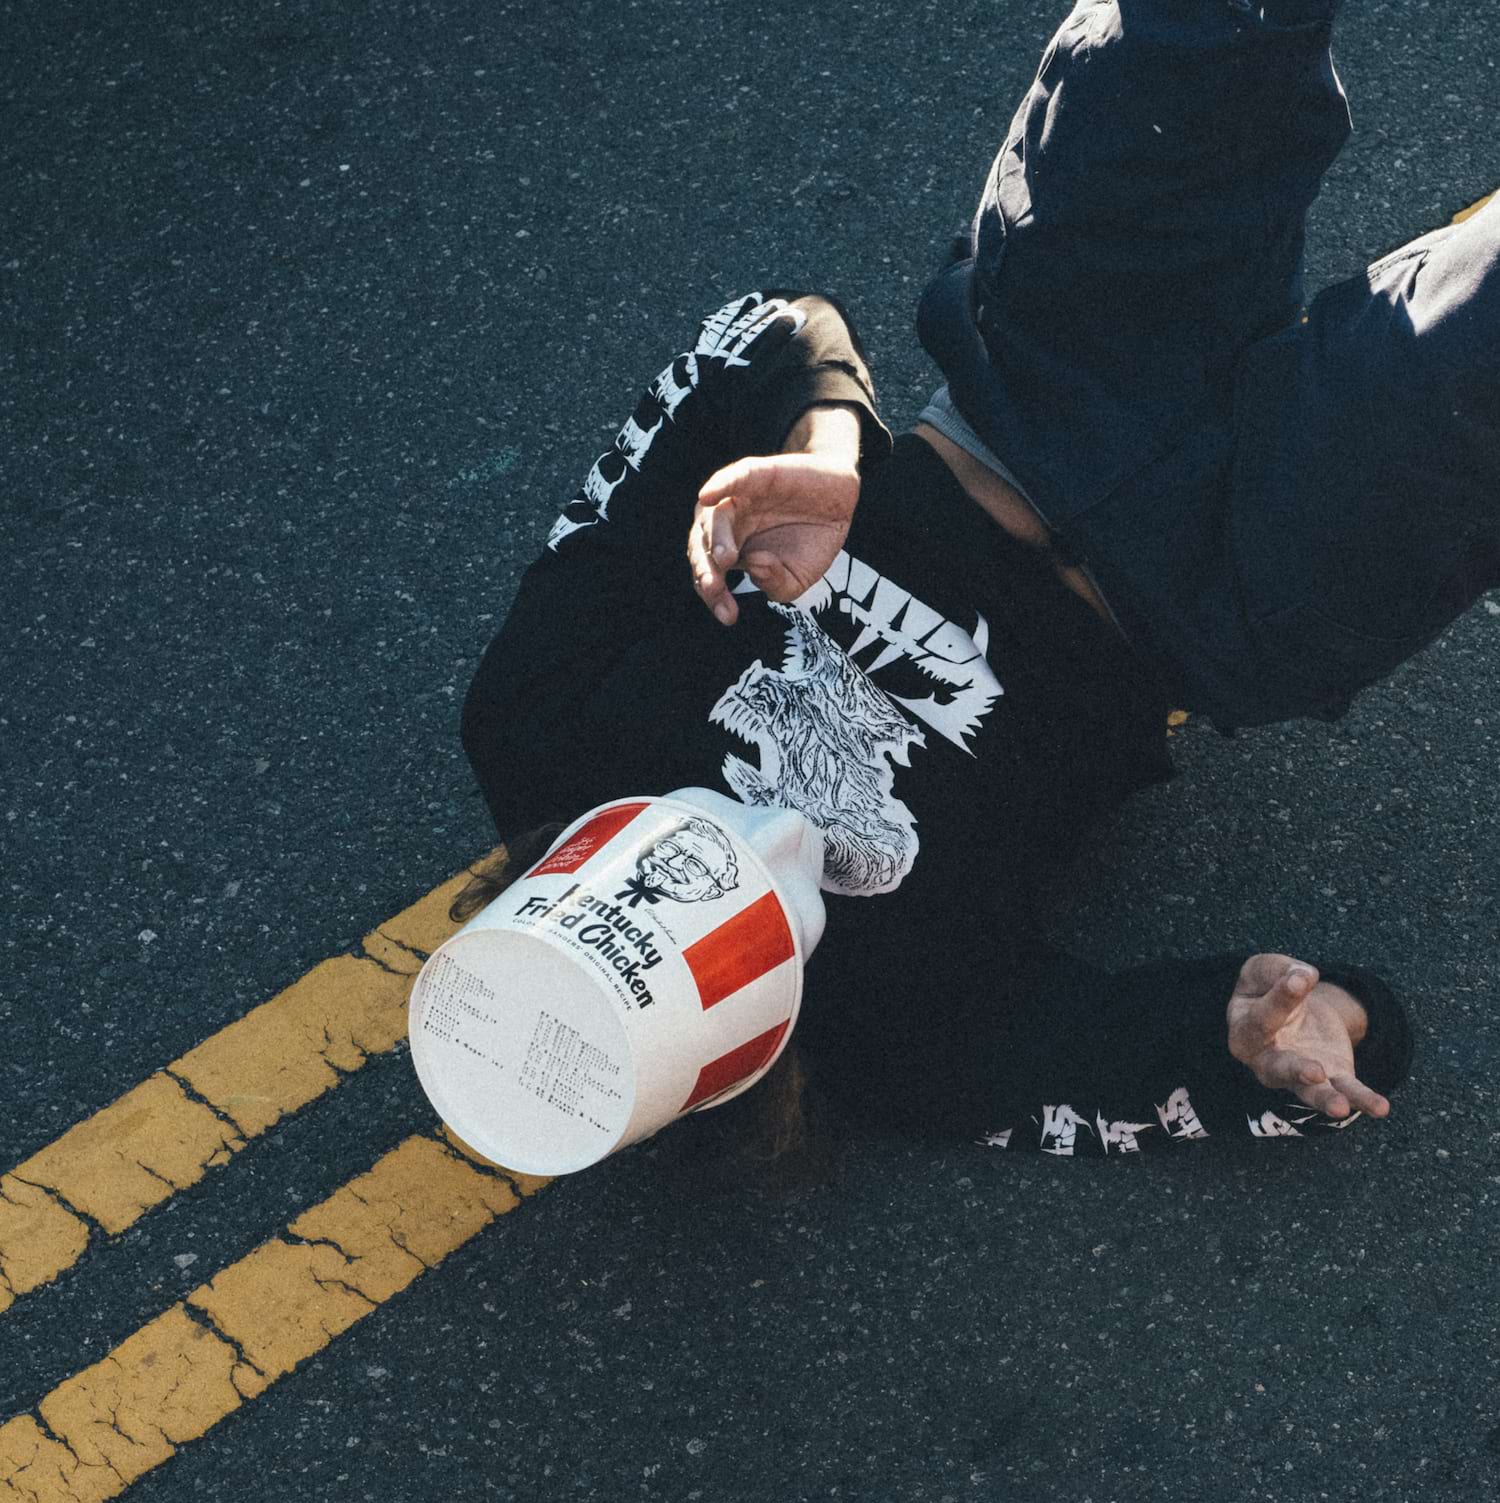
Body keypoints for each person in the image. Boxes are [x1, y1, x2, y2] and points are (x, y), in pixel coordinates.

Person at [458, 3, 1431, 1160]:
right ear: (731, 1059)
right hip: (1236, 591)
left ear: (556, 876)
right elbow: (1249, 1054)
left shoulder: (541, 723)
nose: (747, 854)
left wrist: (825, 441)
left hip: (1039, 388)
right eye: (720, 953)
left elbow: (757, 339)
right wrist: (1301, 1035)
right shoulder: (904, 1048)